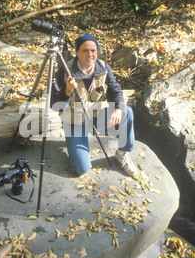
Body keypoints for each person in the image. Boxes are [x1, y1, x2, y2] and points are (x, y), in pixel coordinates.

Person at [51, 33, 137, 177]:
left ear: (97, 52)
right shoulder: (65, 71)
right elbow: (55, 106)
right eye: (85, 50)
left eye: (93, 50)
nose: (90, 54)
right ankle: (75, 146)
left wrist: (117, 109)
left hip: (95, 118)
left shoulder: (103, 68)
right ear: (77, 52)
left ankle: (122, 153)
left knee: (126, 111)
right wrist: (67, 91)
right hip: (74, 123)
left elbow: (116, 90)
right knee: (81, 169)